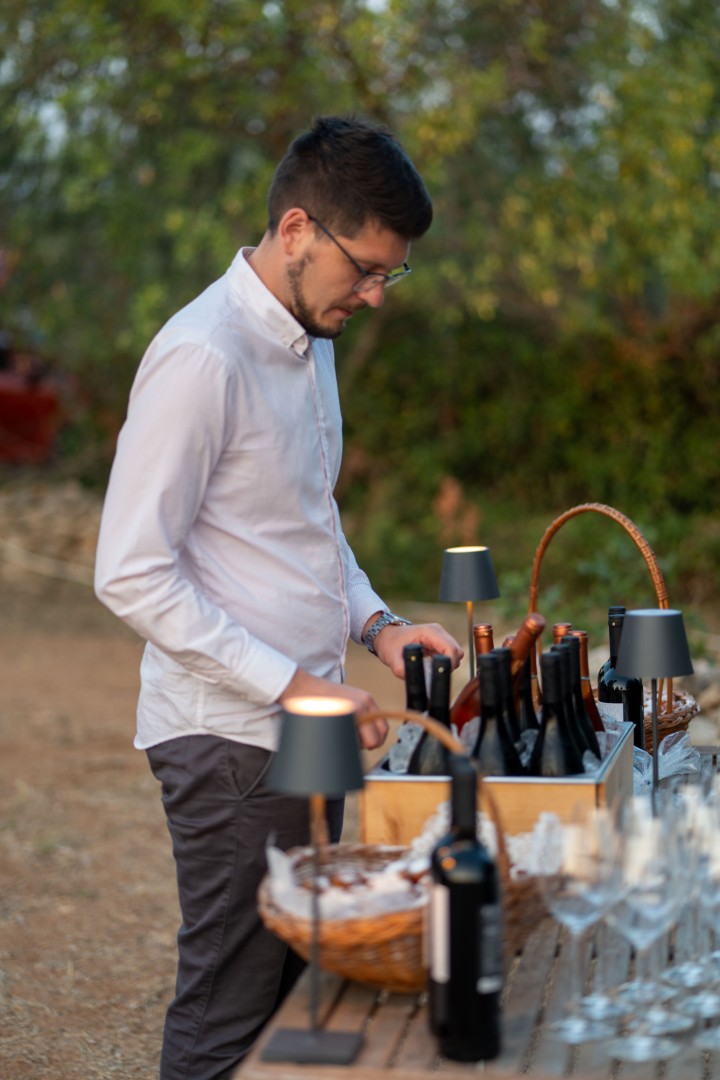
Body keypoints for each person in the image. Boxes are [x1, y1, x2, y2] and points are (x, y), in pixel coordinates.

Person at [94, 114, 463, 1080]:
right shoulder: (202, 355)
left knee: (300, 1000)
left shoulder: (312, 336)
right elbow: (129, 569)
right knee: (231, 1010)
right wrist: (295, 687)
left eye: (391, 277)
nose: (374, 296)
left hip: (308, 726)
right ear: (297, 229)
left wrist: (377, 624)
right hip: (230, 741)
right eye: (365, 270)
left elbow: (307, 521)